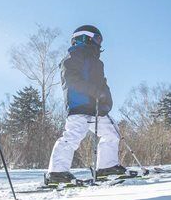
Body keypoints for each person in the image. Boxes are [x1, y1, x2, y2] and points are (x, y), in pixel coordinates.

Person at [45, 25, 126, 184]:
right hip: (79, 105)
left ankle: (106, 167)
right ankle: (57, 172)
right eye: (97, 39)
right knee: (73, 136)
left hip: (96, 107)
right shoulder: (72, 57)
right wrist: (94, 91)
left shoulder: (97, 62)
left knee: (112, 132)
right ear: (84, 37)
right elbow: (71, 80)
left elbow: (103, 85)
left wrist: (106, 100)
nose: (99, 43)